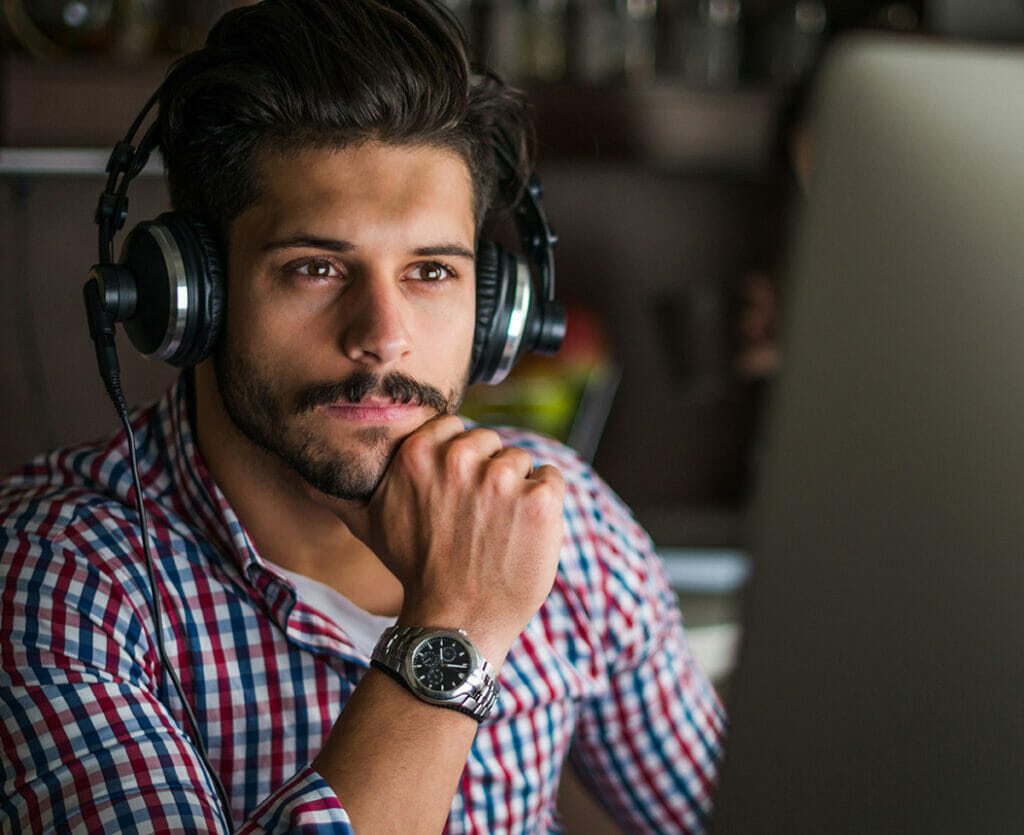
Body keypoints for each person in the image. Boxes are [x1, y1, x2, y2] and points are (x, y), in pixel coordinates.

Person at [0, 0, 726, 831]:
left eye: (431, 273)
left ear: (496, 312)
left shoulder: (564, 521)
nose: (383, 338)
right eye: (315, 267)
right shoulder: (57, 581)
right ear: (191, 296)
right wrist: (456, 623)